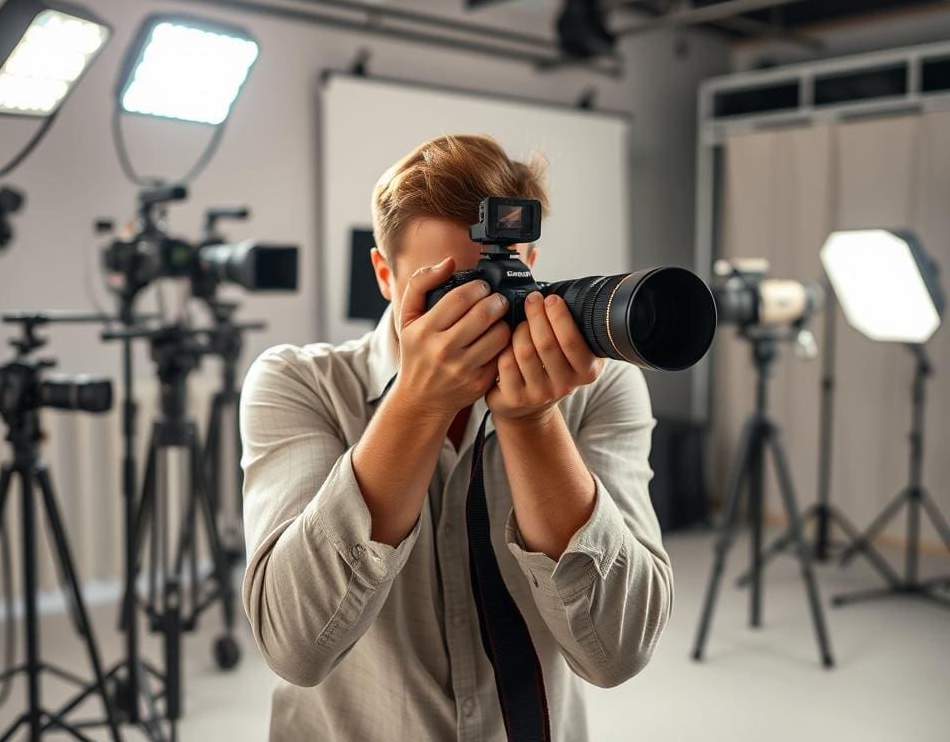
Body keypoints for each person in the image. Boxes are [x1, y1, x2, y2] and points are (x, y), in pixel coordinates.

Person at [240, 134, 672, 741]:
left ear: (530, 264)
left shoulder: (597, 387)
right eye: (456, 292)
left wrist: (532, 422)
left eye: (506, 275)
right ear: (385, 275)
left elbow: (616, 653)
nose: (487, 309)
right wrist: (417, 405)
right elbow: (294, 646)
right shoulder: (298, 383)